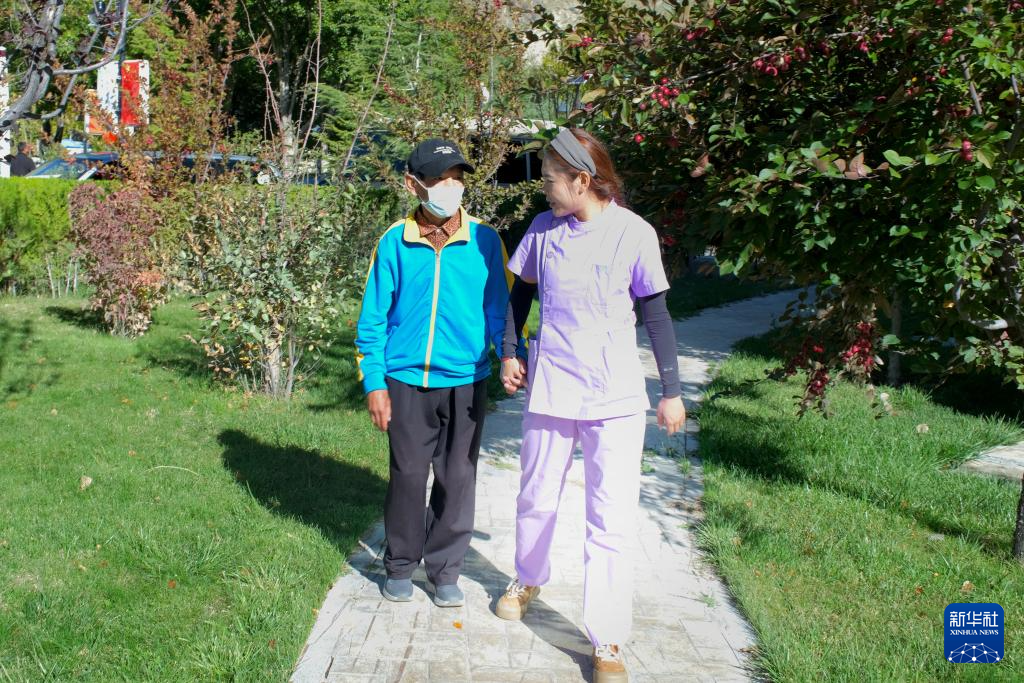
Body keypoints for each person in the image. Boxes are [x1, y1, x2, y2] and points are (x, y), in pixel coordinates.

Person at [496, 128, 685, 682]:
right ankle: (528, 577)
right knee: (536, 495)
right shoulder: (543, 229)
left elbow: (657, 316)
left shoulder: (634, 233)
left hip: (614, 394)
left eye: (550, 180)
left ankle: (607, 638)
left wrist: (672, 391)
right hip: (552, 385)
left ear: (582, 180)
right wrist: (508, 352)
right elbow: (519, 296)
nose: (544, 189)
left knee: (610, 516)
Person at [355, 138, 523, 607]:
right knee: (408, 475)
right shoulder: (395, 241)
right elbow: (372, 320)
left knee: (458, 477)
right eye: (438, 179)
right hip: (406, 380)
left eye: (457, 178)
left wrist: (510, 354)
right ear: (413, 184)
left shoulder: (485, 240)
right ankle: (400, 564)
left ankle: (445, 569)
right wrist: (375, 383)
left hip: (466, 380)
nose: (450, 187)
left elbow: (500, 308)